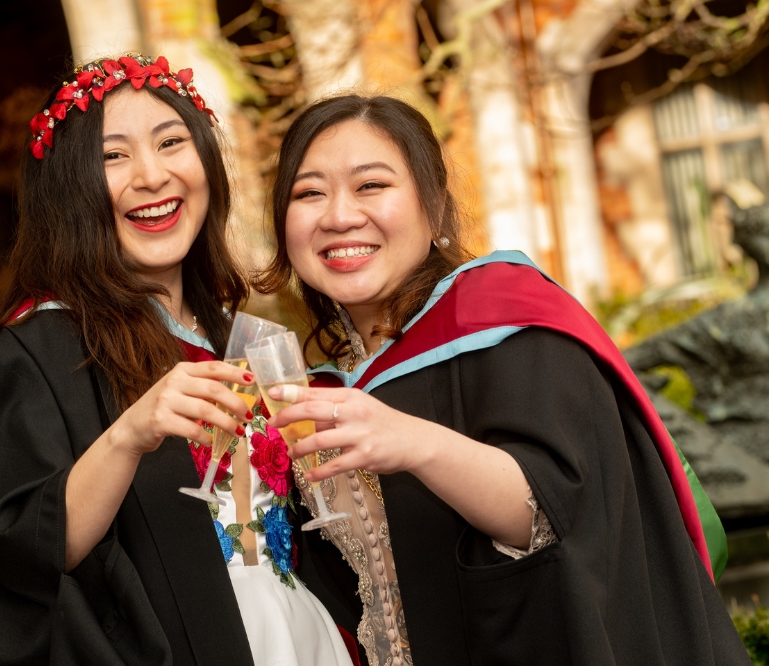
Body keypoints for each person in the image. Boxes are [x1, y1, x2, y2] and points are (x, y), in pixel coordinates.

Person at [254, 94, 750, 665]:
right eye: (309, 193)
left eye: (371, 186)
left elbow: (557, 514)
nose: (338, 216)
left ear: (436, 205)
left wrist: (414, 441)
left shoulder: (508, 323)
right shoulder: (316, 389)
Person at [0, 55, 356, 665]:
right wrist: (128, 434)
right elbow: (21, 554)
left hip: (305, 638)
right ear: (70, 190)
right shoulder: (38, 352)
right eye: (113, 155)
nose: (152, 176)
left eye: (171, 142)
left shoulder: (249, 340)